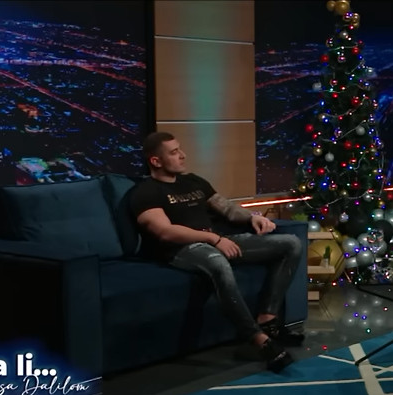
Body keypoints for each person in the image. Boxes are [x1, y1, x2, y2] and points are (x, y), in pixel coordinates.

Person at [129, 131, 304, 372]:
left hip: (217, 240)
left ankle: (268, 319)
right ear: (155, 161)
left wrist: (251, 218)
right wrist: (214, 239)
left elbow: (227, 209)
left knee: (291, 243)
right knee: (219, 262)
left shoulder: (193, 181)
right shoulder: (145, 192)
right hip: (182, 249)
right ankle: (258, 339)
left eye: (180, 149)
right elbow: (165, 232)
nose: (183, 155)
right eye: (174, 152)